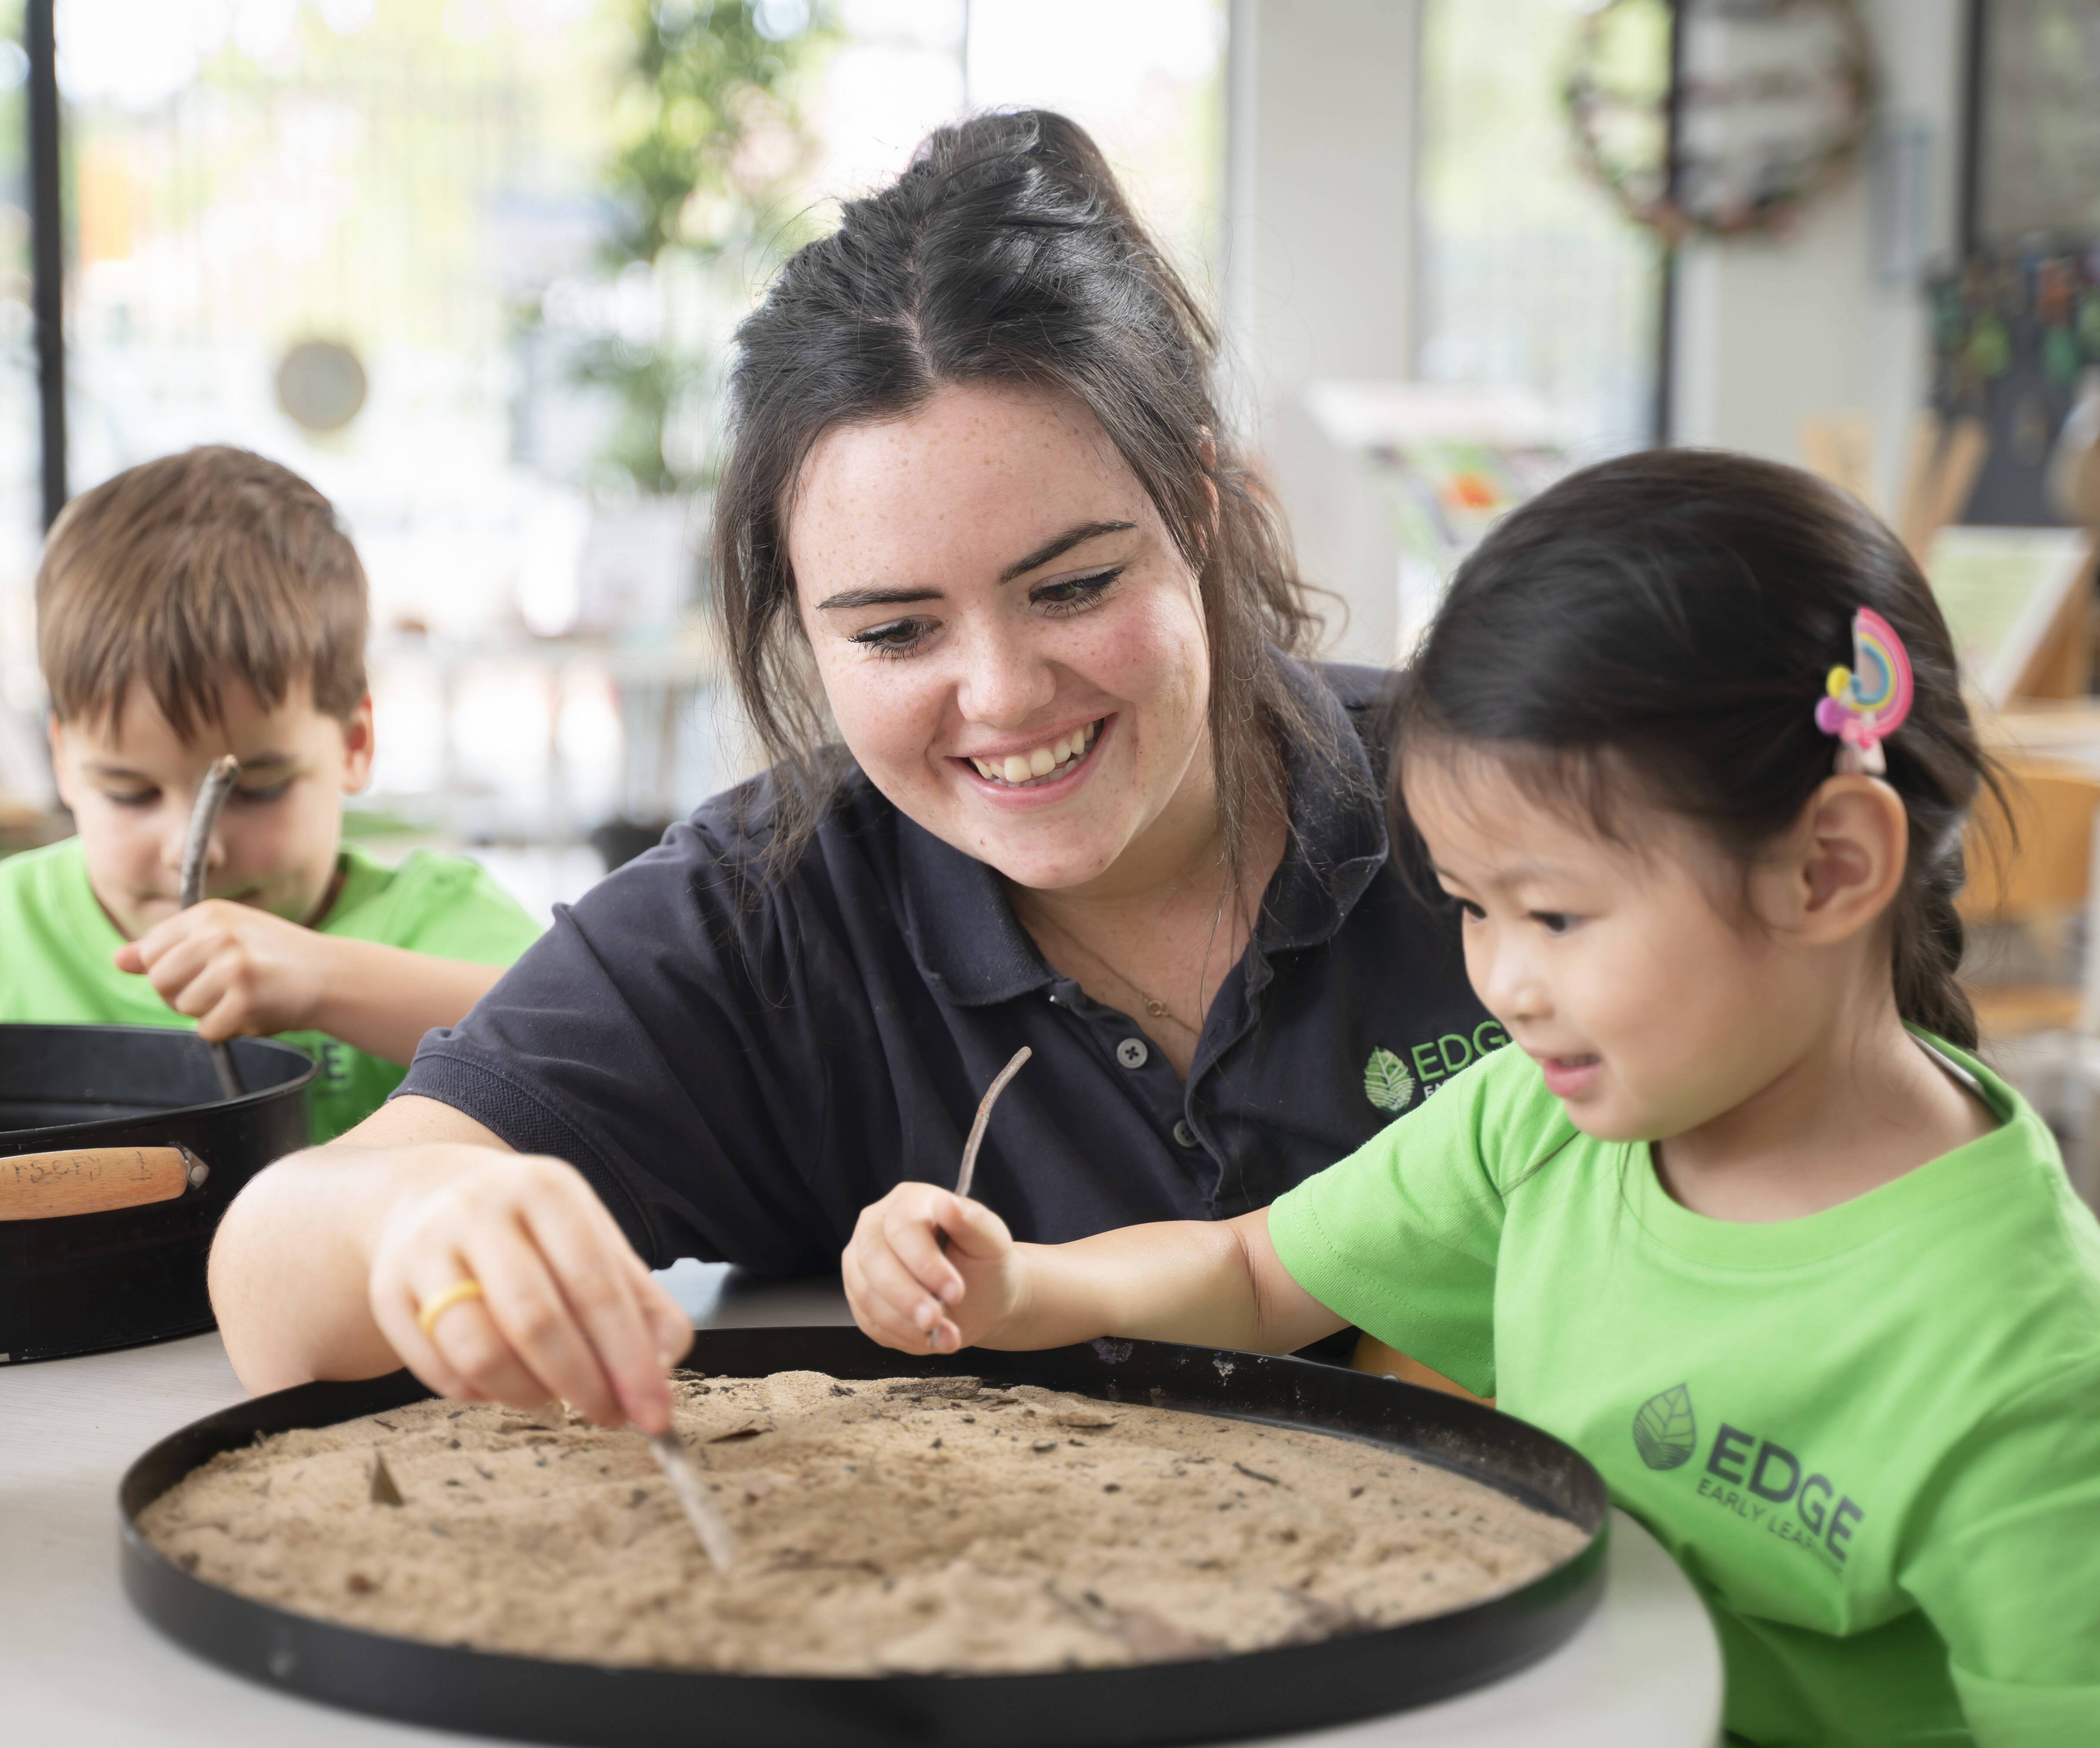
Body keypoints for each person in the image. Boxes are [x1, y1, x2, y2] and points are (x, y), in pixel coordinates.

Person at [208, 112, 1497, 1429]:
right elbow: (276, 1278)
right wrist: (433, 1220)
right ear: (801, 626)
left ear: (1201, 514)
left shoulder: (1498, 798)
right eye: (894, 631)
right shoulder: (768, 917)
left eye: (1075, 586)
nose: (1000, 695)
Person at [843, 450, 2100, 1746]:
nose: (1502, 982)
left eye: (1555, 915)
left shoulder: (2026, 1364)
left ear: (1830, 868)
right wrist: (1019, 1289)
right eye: (1471, 910)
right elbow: (1255, 1273)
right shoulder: (1542, 1122)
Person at [0, 445, 541, 1142]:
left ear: (354, 743)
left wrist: (326, 981)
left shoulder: (433, 921)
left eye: (257, 789)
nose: (191, 849)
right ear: (63, 760)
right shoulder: (11, 922)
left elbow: (585, 1049)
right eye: (130, 793)